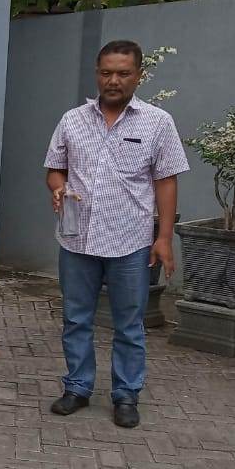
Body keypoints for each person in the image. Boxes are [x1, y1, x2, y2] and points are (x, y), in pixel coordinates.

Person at [43, 39, 189, 428]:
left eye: (123, 73)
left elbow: (166, 182)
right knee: (76, 319)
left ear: (137, 76)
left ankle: (126, 395)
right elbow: (54, 168)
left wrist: (164, 237)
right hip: (77, 241)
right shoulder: (72, 120)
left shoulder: (158, 122)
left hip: (130, 243)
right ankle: (77, 387)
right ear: (97, 74)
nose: (114, 80)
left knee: (129, 323)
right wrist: (58, 187)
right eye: (106, 72)